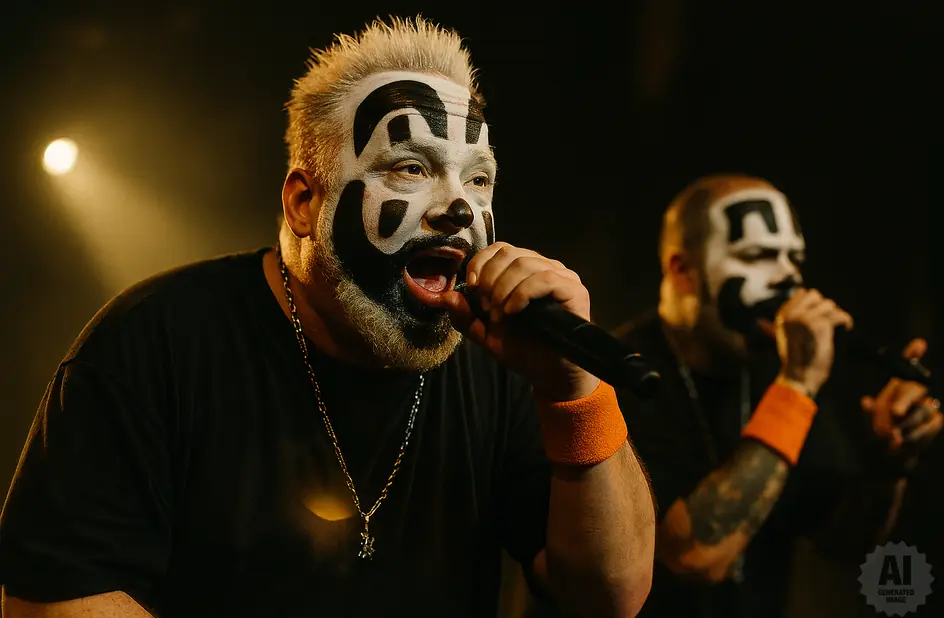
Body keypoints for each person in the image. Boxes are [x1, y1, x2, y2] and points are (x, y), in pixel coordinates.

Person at [0, 18, 655, 618]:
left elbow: (610, 596)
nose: (458, 206)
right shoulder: (153, 341)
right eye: (411, 167)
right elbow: (56, 599)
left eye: (478, 180)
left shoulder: (507, 359)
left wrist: (576, 395)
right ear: (304, 202)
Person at [615, 174, 944, 618]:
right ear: (682, 271)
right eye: (758, 256)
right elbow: (691, 555)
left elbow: (841, 542)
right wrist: (799, 385)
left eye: (794, 258)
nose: (788, 275)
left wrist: (887, 464)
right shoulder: (615, 372)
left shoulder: (777, 369)